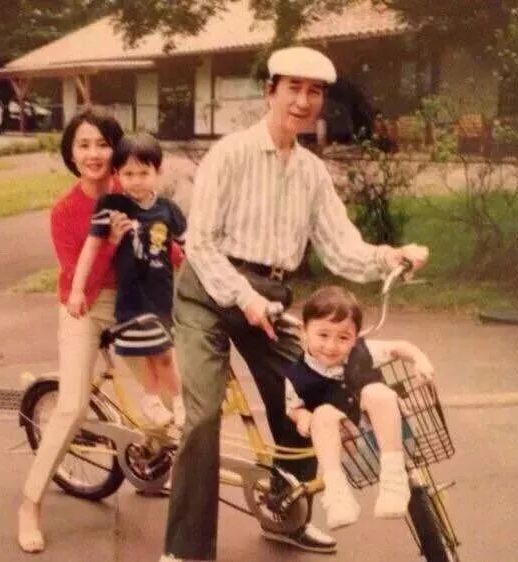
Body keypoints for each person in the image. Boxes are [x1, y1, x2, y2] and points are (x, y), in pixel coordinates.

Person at [160, 45, 429, 562]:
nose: (303, 102)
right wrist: (244, 297)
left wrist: (390, 257)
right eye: (293, 89)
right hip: (208, 292)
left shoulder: (310, 172)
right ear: (270, 92)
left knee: (311, 391)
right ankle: (185, 551)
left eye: (315, 92)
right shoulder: (230, 154)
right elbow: (201, 244)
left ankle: (287, 514)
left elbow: (340, 247)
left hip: (270, 297)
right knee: (203, 415)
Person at [17, 109, 132, 554]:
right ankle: (30, 503)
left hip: (130, 304)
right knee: (72, 407)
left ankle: (150, 465)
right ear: (70, 152)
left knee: (165, 394)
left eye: (103, 144)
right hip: (82, 305)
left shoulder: (129, 190)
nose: (93, 154)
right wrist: (113, 244)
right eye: (83, 145)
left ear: (116, 148)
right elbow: (81, 278)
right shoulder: (65, 212)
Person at [284, 285, 434, 529]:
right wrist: (302, 418)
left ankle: (393, 480)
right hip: (350, 453)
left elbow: (399, 347)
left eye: (343, 338)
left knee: (377, 392)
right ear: (303, 332)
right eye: (323, 335)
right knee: (322, 414)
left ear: (355, 338)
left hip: (394, 439)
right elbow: (294, 407)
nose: (331, 346)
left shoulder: (362, 352)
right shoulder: (296, 375)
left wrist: (419, 359)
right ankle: (337, 493)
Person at [67, 132, 187, 428]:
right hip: (131, 300)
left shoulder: (168, 210)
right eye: (128, 174)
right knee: (141, 354)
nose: (136, 181)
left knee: (164, 356)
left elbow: (189, 251)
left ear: (158, 172)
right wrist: (77, 290)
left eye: (143, 173)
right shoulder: (111, 206)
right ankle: (151, 398)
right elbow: (91, 248)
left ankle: (180, 400)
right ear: (117, 174)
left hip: (162, 299)